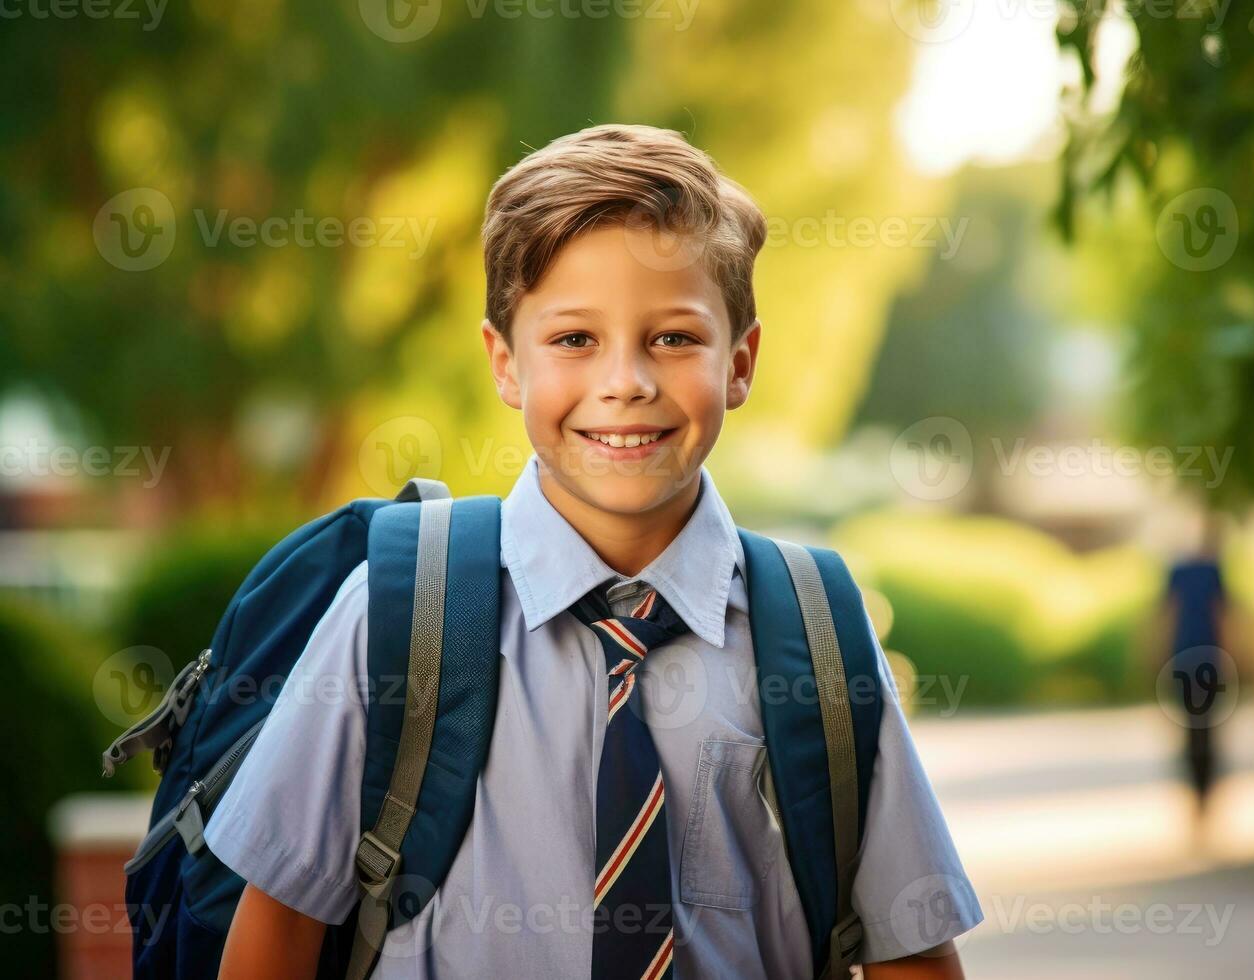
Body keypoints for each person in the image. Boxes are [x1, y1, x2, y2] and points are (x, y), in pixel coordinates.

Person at [205, 124, 982, 978]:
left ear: (741, 361)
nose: (626, 382)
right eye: (575, 340)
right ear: (505, 364)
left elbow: (911, 951)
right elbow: (275, 935)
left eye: (674, 338)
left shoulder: (819, 633)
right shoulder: (398, 613)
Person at [1161, 512, 1229, 841]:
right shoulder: (1204, 570)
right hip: (1202, 661)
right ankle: (1201, 797)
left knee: (1198, 730)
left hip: (1192, 660)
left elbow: (1167, 616)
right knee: (1202, 730)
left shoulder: (1189, 571)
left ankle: (1203, 798)